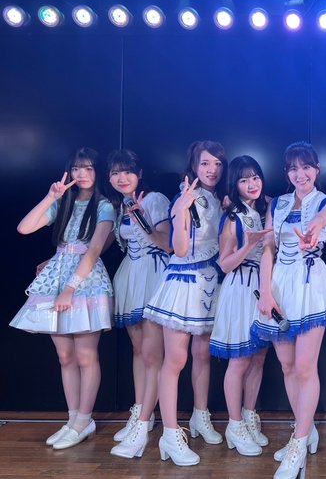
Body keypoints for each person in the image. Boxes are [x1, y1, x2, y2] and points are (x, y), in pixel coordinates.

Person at [251, 141, 326, 479]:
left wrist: (314, 229)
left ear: (316, 169)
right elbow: (268, 248)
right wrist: (265, 291)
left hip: (310, 284)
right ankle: (305, 430)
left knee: (305, 367)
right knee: (287, 366)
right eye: (293, 168)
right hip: (279, 285)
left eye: (306, 167)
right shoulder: (277, 203)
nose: (299, 174)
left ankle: (298, 445)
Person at [11, 147, 114, 450]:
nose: (82, 174)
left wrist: (70, 288)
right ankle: (72, 420)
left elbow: (94, 250)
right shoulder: (63, 203)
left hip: (86, 281)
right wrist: (51, 196)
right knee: (65, 357)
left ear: (97, 172)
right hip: (56, 276)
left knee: (85, 356)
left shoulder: (104, 206)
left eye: (89, 168)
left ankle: (84, 419)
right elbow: (24, 228)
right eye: (77, 168)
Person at [144, 141, 227, 466]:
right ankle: (170, 433)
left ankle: (199, 416)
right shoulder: (185, 197)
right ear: (194, 165)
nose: (212, 169)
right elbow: (178, 249)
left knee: (203, 354)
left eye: (217, 163)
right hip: (184, 281)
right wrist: (181, 211)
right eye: (205, 163)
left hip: (210, 282)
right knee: (175, 360)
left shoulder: (219, 198)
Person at [106, 149, 172, 459]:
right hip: (130, 276)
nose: (122, 178)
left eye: (127, 171)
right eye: (115, 173)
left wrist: (141, 218)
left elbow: (167, 243)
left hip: (154, 275)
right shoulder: (118, 206)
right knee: (138, 351)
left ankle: (143, 422)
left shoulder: (154, 199)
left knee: (152, 353)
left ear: (140, 173)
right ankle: (141, 410)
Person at [209, 155, 272, 457]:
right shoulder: (233, 217)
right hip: (240, 287)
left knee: (258, 358)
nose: (251, 184)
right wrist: (249, 245)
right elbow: (224, 264)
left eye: (255, 177)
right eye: (244, 179)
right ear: (234, 185)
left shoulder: (262, 211)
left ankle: (249, 416)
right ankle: (234, 425)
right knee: (239, 360)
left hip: (261, 289)